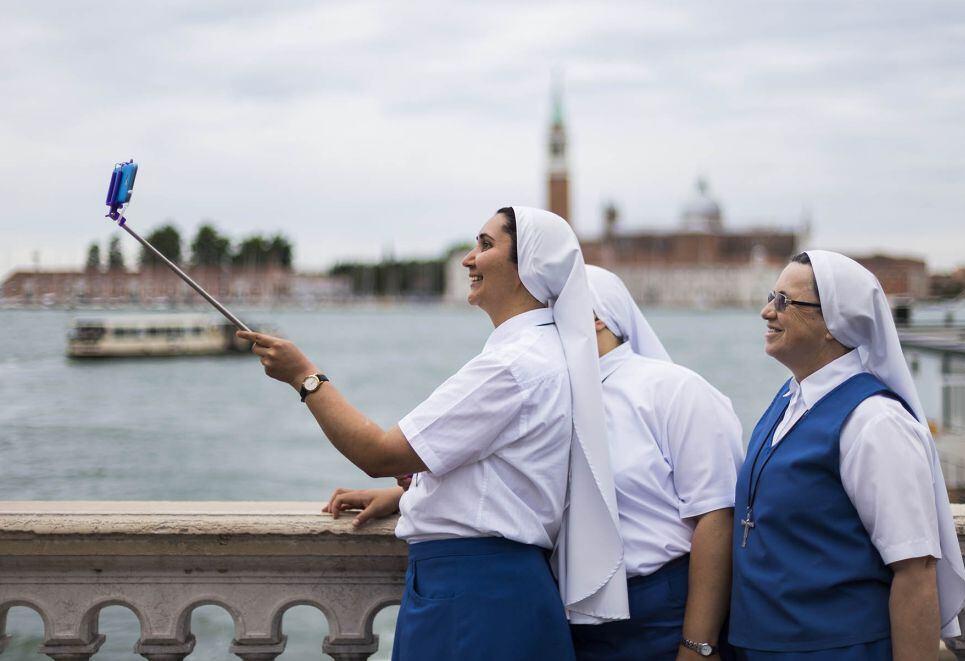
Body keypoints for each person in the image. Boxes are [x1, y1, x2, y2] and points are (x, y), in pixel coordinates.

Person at [239, 206, 629, 661]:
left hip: (474, 595)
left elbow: (382, 454)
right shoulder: (542, 353)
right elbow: (512, 474)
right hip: (499, 588)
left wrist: (304, 377)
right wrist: (410, 496)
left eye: (485, 245)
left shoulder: (512, 364)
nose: (468, 259)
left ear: (529, 267)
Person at [728, 251, 965, 661]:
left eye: (785, 301)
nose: (767, 311)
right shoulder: (788, 399)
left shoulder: (875, 422)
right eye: (772, 296)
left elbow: (915, 572)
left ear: (833, 323)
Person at [568, 265, 743, 661]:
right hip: (570, 622)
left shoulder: (676, 390)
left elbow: (718, 516)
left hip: (663, 611)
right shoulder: (552, 398)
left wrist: (698, 644)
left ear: (595, 318)